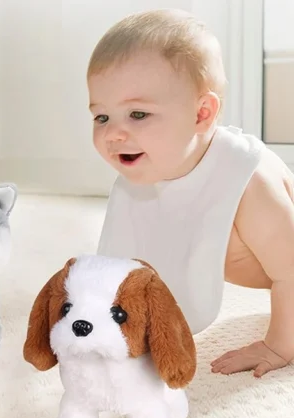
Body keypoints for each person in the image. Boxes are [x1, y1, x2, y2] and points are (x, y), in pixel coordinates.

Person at [86, 8, 294, 378]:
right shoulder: (146, 175)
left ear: (201, 114)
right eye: (101, 117)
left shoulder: (247, 179)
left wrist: (278, 346)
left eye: (138, 114)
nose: (113, 133)